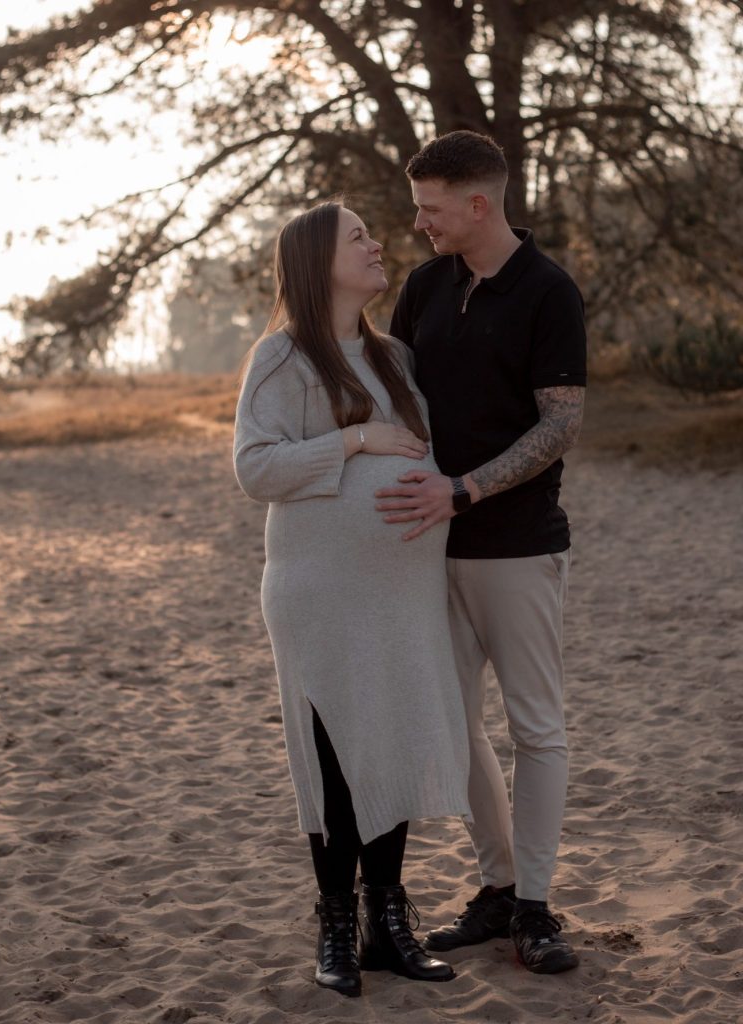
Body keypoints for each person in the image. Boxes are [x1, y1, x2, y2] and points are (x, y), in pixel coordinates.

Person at [233, 200, 473, 998]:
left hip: (400, 590)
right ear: (315, 262)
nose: (377, 246)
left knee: (392, 739)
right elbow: (256, 468)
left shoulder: (395, 357)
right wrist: (357, 440)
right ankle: (337, 923)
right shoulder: (281, 358)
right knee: (337, 750)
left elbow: (431, 451)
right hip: (320, 590)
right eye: (358, 237)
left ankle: (388, 923)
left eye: (373, 234)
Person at [376, 130, 587, 975]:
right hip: (428, 550)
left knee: (536, 726)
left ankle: (535, 907)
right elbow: (395, 403)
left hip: (517, 547)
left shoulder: (548, 292)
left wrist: (464, 489)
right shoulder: (425, 288)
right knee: (456, 729)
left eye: (430, 208)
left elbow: (561, 423)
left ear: (478, 204)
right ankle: (497, 888)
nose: (419, 223)